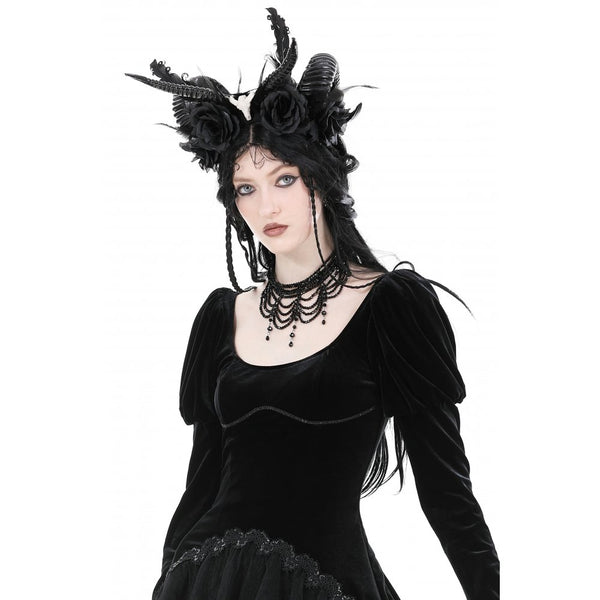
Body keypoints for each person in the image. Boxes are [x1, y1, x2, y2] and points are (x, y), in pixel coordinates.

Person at [125, 8, 500, 600]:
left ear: (319, 179)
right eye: (246, 188)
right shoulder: (223, 318)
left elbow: (446, 488)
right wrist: (166, 580)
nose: (266, 207)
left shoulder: (392, 307)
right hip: (208, 579)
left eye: (283, 179)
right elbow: (200, 487)